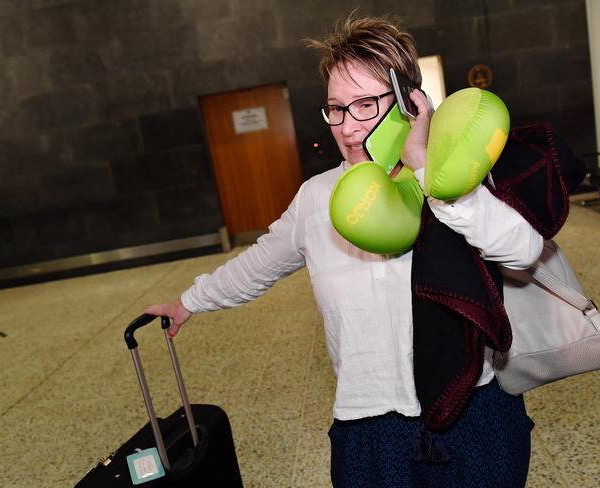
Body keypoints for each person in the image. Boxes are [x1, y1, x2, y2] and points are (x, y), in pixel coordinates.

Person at [146, 15, 544, 487]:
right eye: (335, 108)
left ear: (408, 103)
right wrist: (190, 300)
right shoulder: (318, 198)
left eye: (365, 105)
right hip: (369, 427)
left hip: (473, 410)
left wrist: (427, 175)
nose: (347, 127)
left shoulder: (452, 179)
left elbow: (524, 251)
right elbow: (260, 262)